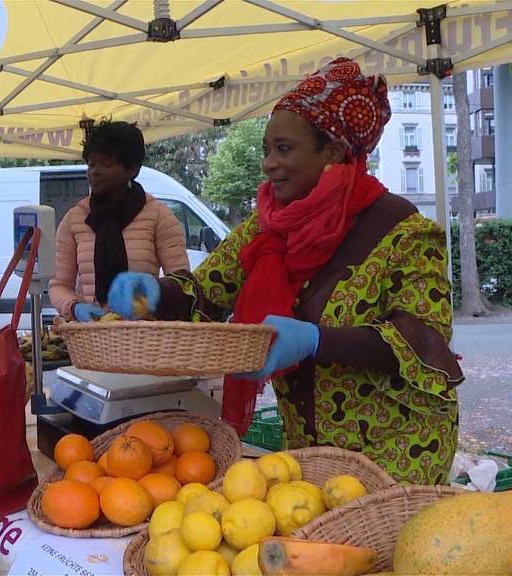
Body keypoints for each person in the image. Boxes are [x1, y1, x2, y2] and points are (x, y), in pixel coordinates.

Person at [108, 58, 463, 485]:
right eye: (266, 150)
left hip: (397, 445)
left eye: (284, 149)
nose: (269, 164)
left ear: (333, 151)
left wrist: (315, 340)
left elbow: (423, 337)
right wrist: (154, 292)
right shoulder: (267, 227)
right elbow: (206, 292)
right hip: (306, 445)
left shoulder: (405, 232)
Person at [48, 120, 189, 322]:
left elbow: (183, 284)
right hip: (91, 333)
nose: (95, 171)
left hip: (145, 334)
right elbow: (58, 285)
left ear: (132, 169)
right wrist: (74, 307)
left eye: (106, 164)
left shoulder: (159, 216)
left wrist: (156, 290)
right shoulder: (74, 219)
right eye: (91, 164)